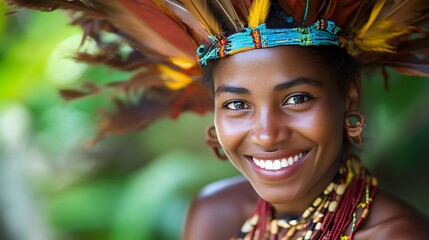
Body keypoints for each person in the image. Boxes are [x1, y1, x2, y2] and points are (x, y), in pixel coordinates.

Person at [7, 0, 429, 239]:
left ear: (348, 96)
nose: (266, 134)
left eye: (297, 98)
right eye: (237, 104)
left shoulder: (398, 235)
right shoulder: (216, 214)